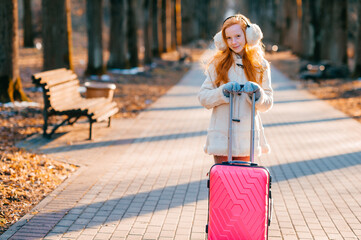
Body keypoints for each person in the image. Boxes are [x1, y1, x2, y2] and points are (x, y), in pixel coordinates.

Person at [198, 14, 273, 164]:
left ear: (249, 35)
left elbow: (268, 102)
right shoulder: (217, 64)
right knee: (223, 183)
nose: (233, 42)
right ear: (223, 40)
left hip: (248, 138)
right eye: (229, 38)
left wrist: (258, 95)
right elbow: (203, 97)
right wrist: (222, 92)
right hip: (222, 137)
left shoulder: (261, 65)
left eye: (238, 36)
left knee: (243, 184)